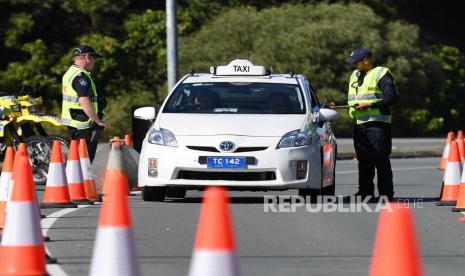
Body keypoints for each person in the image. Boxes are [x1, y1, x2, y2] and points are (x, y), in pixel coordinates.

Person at [344, 47, 397, 201]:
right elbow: (355, 98)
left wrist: (370, 105)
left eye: (356, 62)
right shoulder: (355, 75)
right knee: (364, 161)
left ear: (366, 60)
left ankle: (386, 194)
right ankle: (365, 193)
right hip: (359, 124)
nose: (354, 65)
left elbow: (391, 98)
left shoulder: (381, 73)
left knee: (380, 160)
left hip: (377, 124)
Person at [61, 45, 107, 162]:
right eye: (94, 58)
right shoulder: (81, 76)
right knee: (85, 159)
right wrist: (97, 120)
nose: (94, 61)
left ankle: (77, 179)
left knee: (78, 159)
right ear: (87, 57)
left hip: (74, 121)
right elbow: (83, 100)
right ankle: (83, 180)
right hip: (83, 123)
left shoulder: (69, 73)